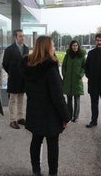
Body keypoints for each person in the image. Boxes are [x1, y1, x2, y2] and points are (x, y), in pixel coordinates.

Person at [22, 36, 70, 176]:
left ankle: (36, 170)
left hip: (34, 110)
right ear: (47, 47)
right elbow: (57, 96)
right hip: (50, 113)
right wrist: (66, 117)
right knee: (52, 144)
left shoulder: (28, 66)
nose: (54, 48)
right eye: (53, 45)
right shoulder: (50, 68)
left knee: (36, 141)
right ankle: (52, 173)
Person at [2, 29, 29, 129]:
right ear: (15, 37)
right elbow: (5, 63)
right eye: (20, 36)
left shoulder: (26, 48)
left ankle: (20, 118)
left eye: (23, 35)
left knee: (21, 98)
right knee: (12, 99)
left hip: (23, 78)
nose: (22, 37)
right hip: (13, 78)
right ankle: (12, 120)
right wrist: (11, 72)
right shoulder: (9, 49)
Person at [85, 33, 101, 131]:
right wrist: (90, 77)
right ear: (95, 41)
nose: (99, 42)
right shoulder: (91, 53)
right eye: (97, 40)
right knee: (94, 104)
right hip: (93, 84)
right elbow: (86, 67)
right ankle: (94, 121)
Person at [62, 40, 86, 122]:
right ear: (71, 46)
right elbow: (64, 66)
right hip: (68, 80)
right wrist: (64, 74)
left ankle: (76, 116)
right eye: (73, 45)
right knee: (69, 99)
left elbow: (84, 67)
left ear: (78, 46)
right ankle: (69, 115)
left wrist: (81, 74)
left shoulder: (82, 56)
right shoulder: (68, 55)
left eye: (76, 45)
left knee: (77, 99)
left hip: (77, 80)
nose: (75, 47)